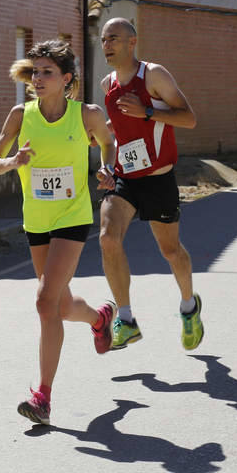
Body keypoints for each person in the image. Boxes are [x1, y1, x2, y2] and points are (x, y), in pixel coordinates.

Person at [0, 39, 116, 425]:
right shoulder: (20, 115)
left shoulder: (87, 115)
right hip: (37, 221)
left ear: (66, 79)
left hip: (72, 217)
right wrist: (14, 161)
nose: (38, 79)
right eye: (35, 71)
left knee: (45, 301)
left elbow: (110, 142)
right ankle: (99, 319)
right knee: (60, 305)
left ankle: (42, 397)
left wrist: (107, 168)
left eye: (47, 72)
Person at [97, 18, 203, 351]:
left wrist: (147, 112)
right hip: (125, 178)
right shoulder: (107, 84)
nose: (106, 44)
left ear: (132, 42)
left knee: (170, 251)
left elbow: (188, 118)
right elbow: (117, 136)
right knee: (107, 238)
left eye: (113, 38)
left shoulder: (154, 75)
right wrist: (105, 165)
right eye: (102, 39)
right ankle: (126, 320)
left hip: (158, 180)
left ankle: (189, 306)